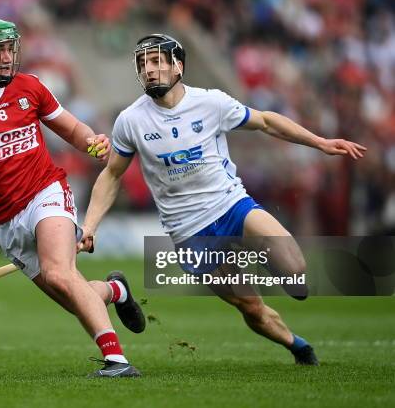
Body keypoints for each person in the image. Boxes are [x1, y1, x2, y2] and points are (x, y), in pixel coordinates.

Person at [78, 34, 368, 365]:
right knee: (252, 307)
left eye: (157, 61)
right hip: (189, 231)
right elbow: (112, 175)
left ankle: (272, 267)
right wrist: (90, 225)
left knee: (296, 270)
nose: (149, 70)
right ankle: (298, 345)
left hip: (230, 205)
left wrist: (319, 142)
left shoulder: (211, 102)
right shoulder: (131, 120)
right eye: (143, 64)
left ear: (178, 66)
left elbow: (267, 122)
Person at [0, 18, 145, 377]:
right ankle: (115, 290)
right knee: (74, 296)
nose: (7, 56)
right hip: (4, 220)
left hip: (47, 191)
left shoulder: (30, 87)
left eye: (10, 48)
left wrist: (92, 143)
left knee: (60, 274)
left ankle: (116, 361)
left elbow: (72, 128)